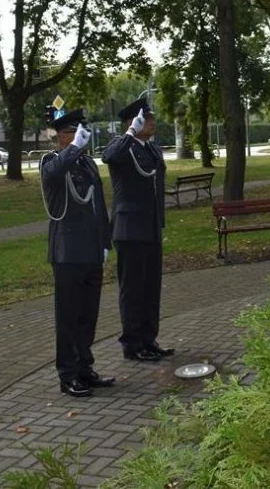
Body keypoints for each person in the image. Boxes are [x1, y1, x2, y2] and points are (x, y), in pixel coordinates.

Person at [40, 108, 114, 397]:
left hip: (91, 249)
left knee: (87, 315)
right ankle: (68, 374)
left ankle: (85, 367)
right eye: (74, 132)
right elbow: (55, 173)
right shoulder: (52, 162)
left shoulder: (86, 163)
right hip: (68, 252)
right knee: (69, 317)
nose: (81, 136)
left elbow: (97, 206)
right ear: (62, 137)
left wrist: (105, 242)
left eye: (82, 132)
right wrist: (72, 148)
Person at [102, 98, 174, 362]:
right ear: (132, 122)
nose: (152, 122)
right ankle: (132, 344)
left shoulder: (152, 150)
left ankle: (149, 338)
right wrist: (131, 132)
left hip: (151, 227)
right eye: (147, 118)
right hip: (129, 229)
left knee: (150, 287)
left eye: (152, 118)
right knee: (132, 289)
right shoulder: (121, 146)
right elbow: (108, 157)